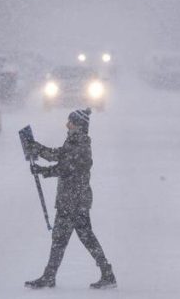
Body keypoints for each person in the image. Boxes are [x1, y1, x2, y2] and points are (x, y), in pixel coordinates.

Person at [24, 108, 116, 290]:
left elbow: (65, 168)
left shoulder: (80, 144)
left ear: (79, 125)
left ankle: (51, 276)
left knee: (63, 238)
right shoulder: (74, 141)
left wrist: (43, 171)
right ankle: (106, 273)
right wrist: (37, 148)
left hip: (73, 201)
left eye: (70, 122)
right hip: (73, 200)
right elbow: (58, 155)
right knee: (78, 237)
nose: (67, 125)